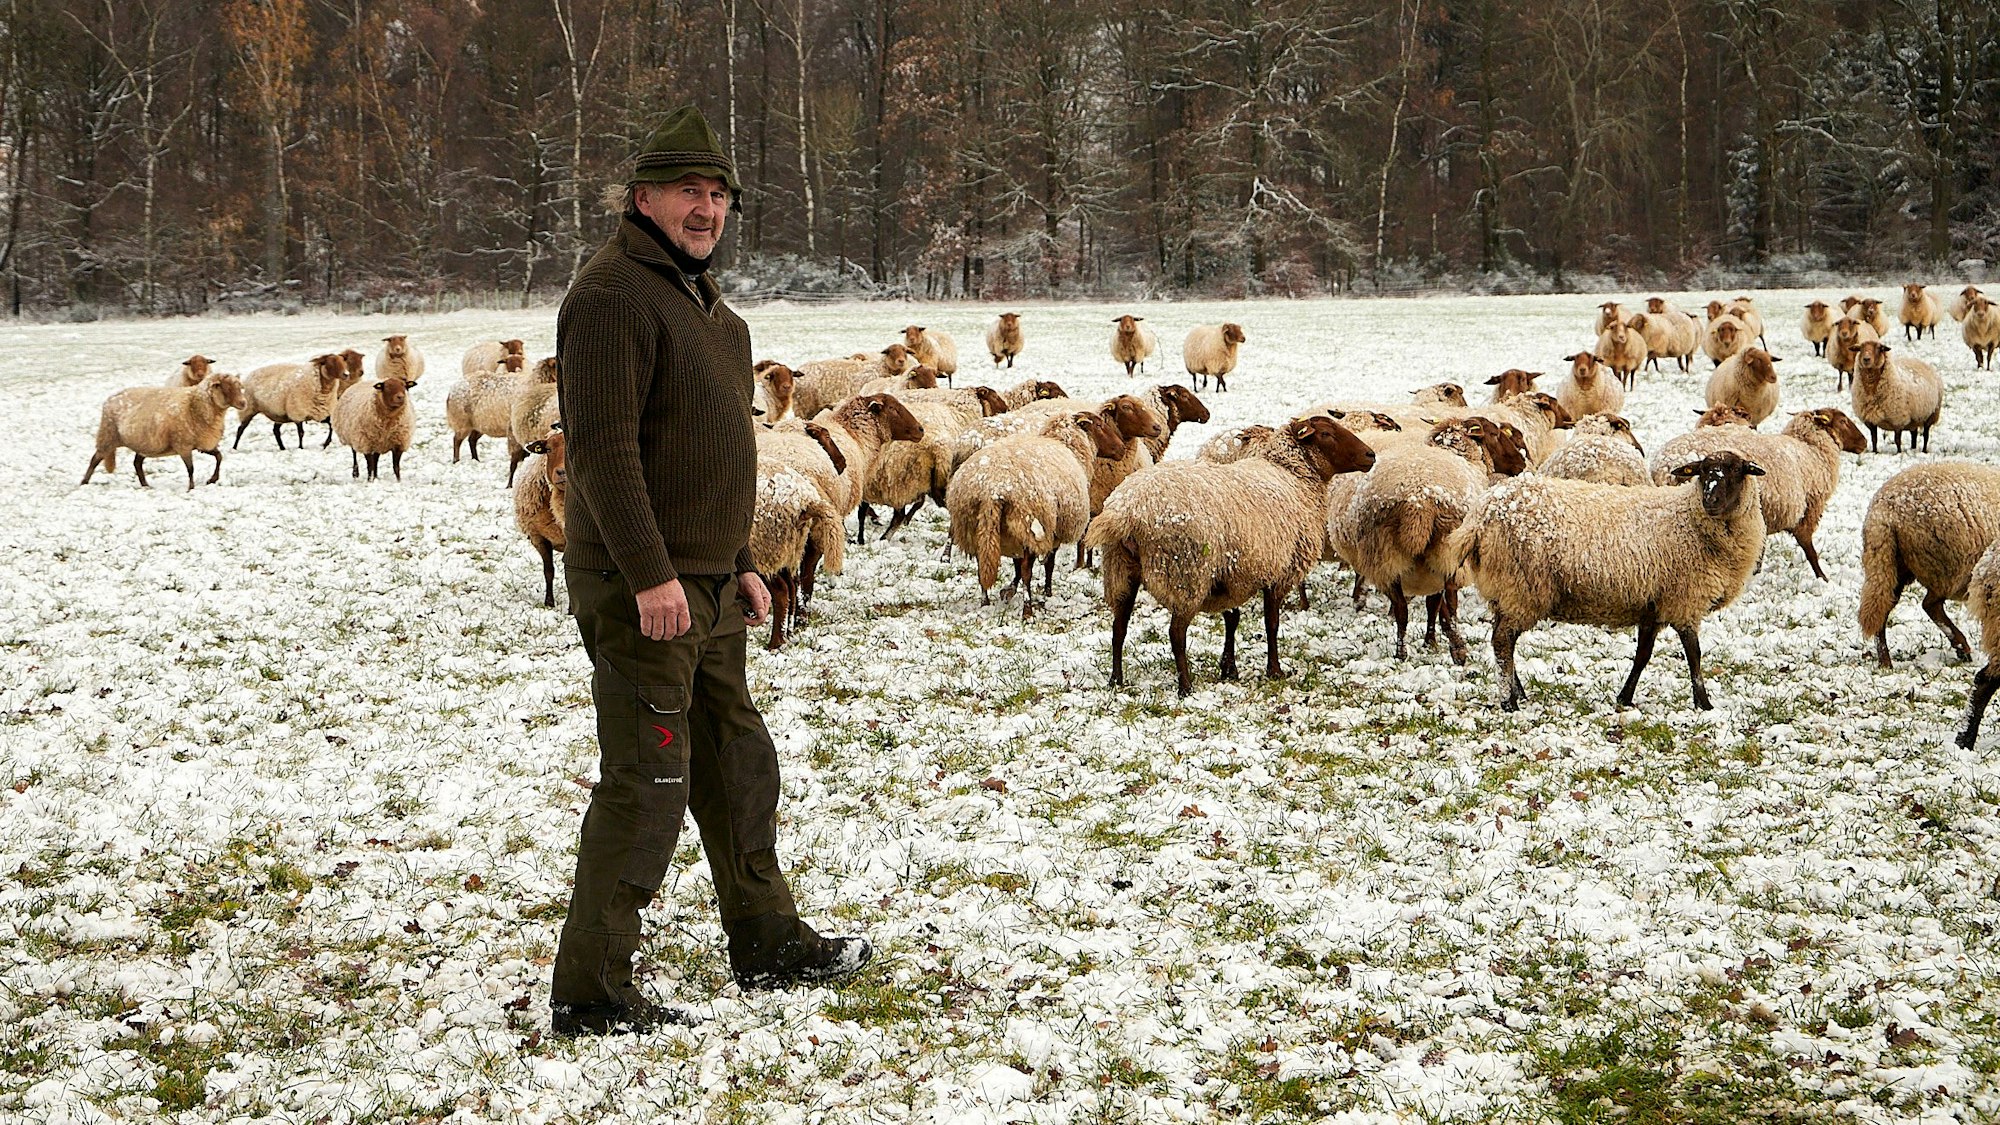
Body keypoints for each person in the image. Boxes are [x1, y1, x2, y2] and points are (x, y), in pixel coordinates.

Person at [548, 105, 870, 1036]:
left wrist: (738, 563)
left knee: (736, 761)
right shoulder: (611, 296)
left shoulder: (717, 319)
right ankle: (592, 988)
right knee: (646, 778)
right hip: (641, 585)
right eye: (689, 190)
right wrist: (651, 574)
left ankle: (765, 937)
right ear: (642, 198)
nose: (707, 207)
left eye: (719, 193)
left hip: (710, 583)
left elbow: (709, 454)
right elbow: (603, 451)